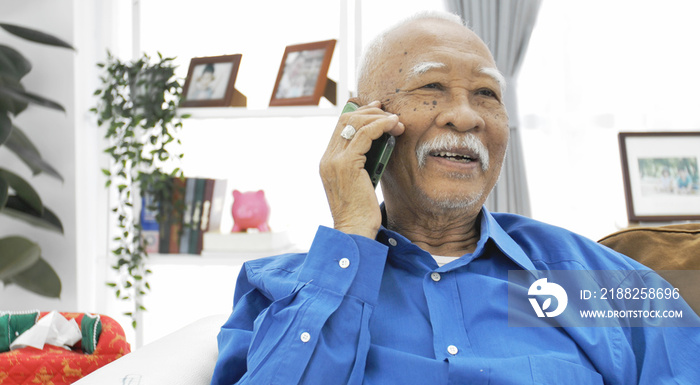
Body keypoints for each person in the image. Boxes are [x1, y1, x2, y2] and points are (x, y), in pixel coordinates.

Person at [211, 11, 700, 384]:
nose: (466, 117)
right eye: (432, 87)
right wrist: (350, 237)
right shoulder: (281, 291)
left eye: (487, 94)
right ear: (364, 124)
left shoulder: (601, 279)